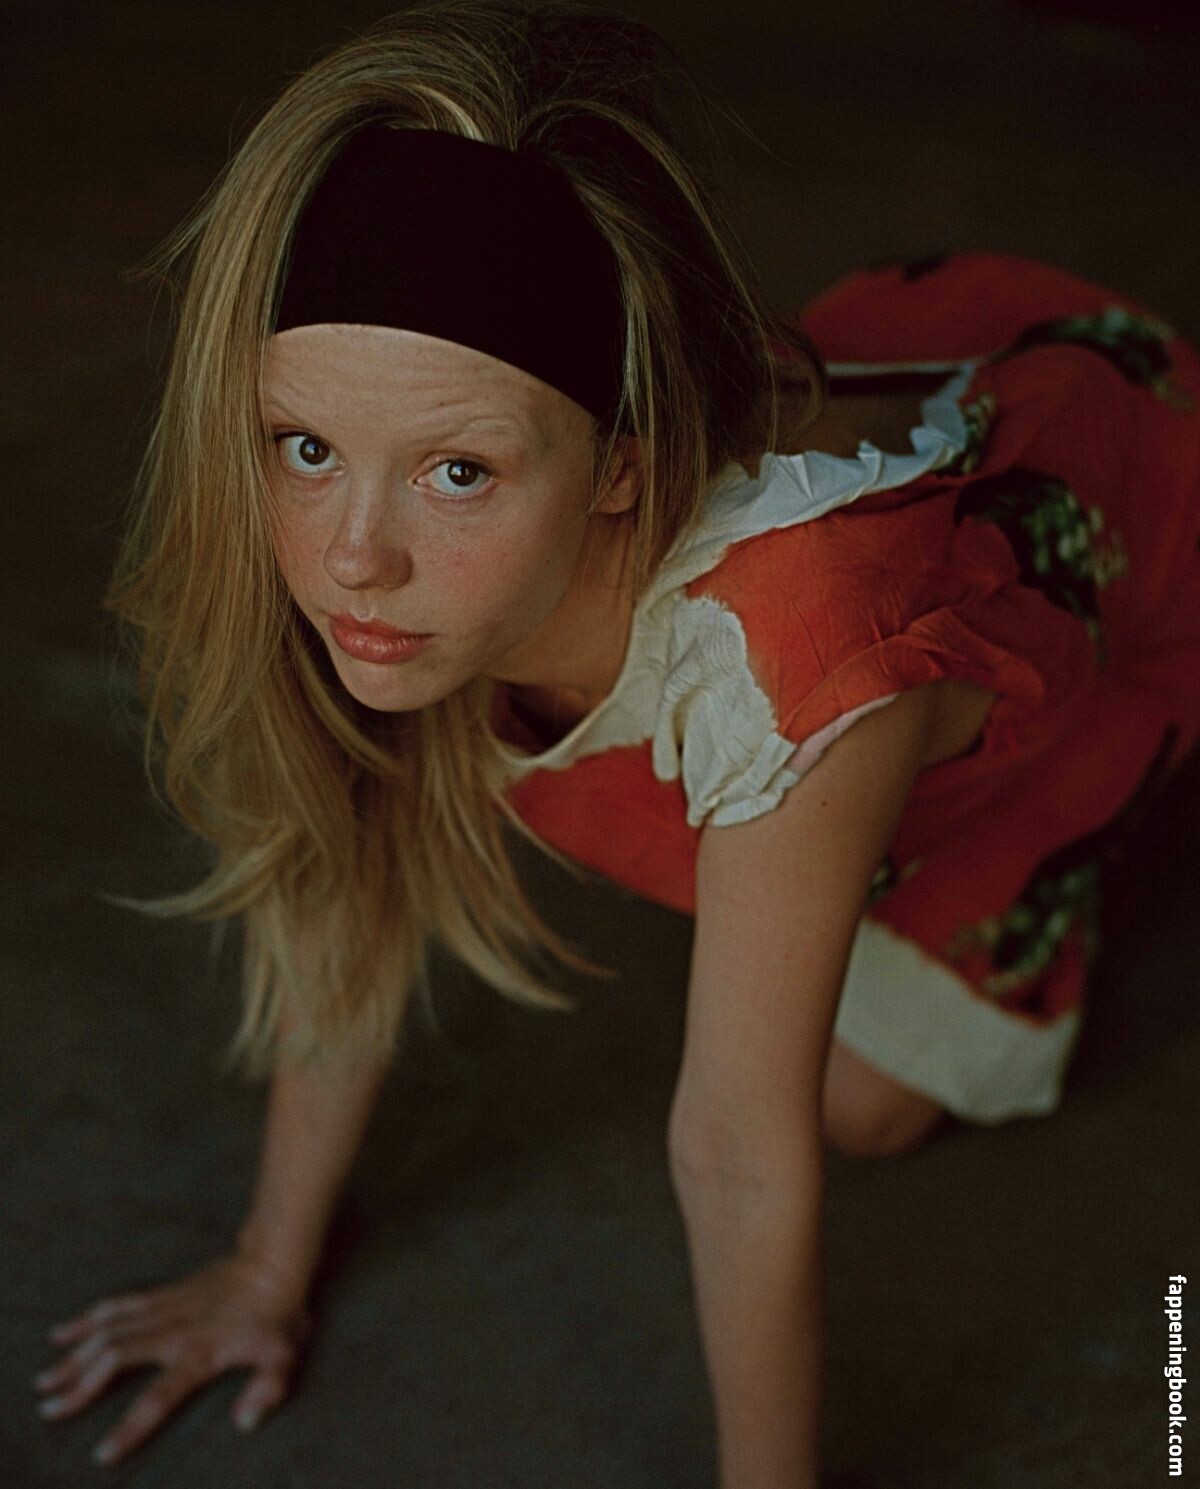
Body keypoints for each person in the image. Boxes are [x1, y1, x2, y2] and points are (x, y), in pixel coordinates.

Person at [32, 1, 1200, 1483]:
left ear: (618, 469)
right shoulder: (376, 568)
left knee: (857, 1104)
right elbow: (346, 889)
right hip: (867, 495)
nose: (353, 558)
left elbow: (736, 1147)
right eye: (306, 446)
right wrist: (267, 1269)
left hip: (1130, 530)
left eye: (459, 471)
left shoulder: (793, 657)